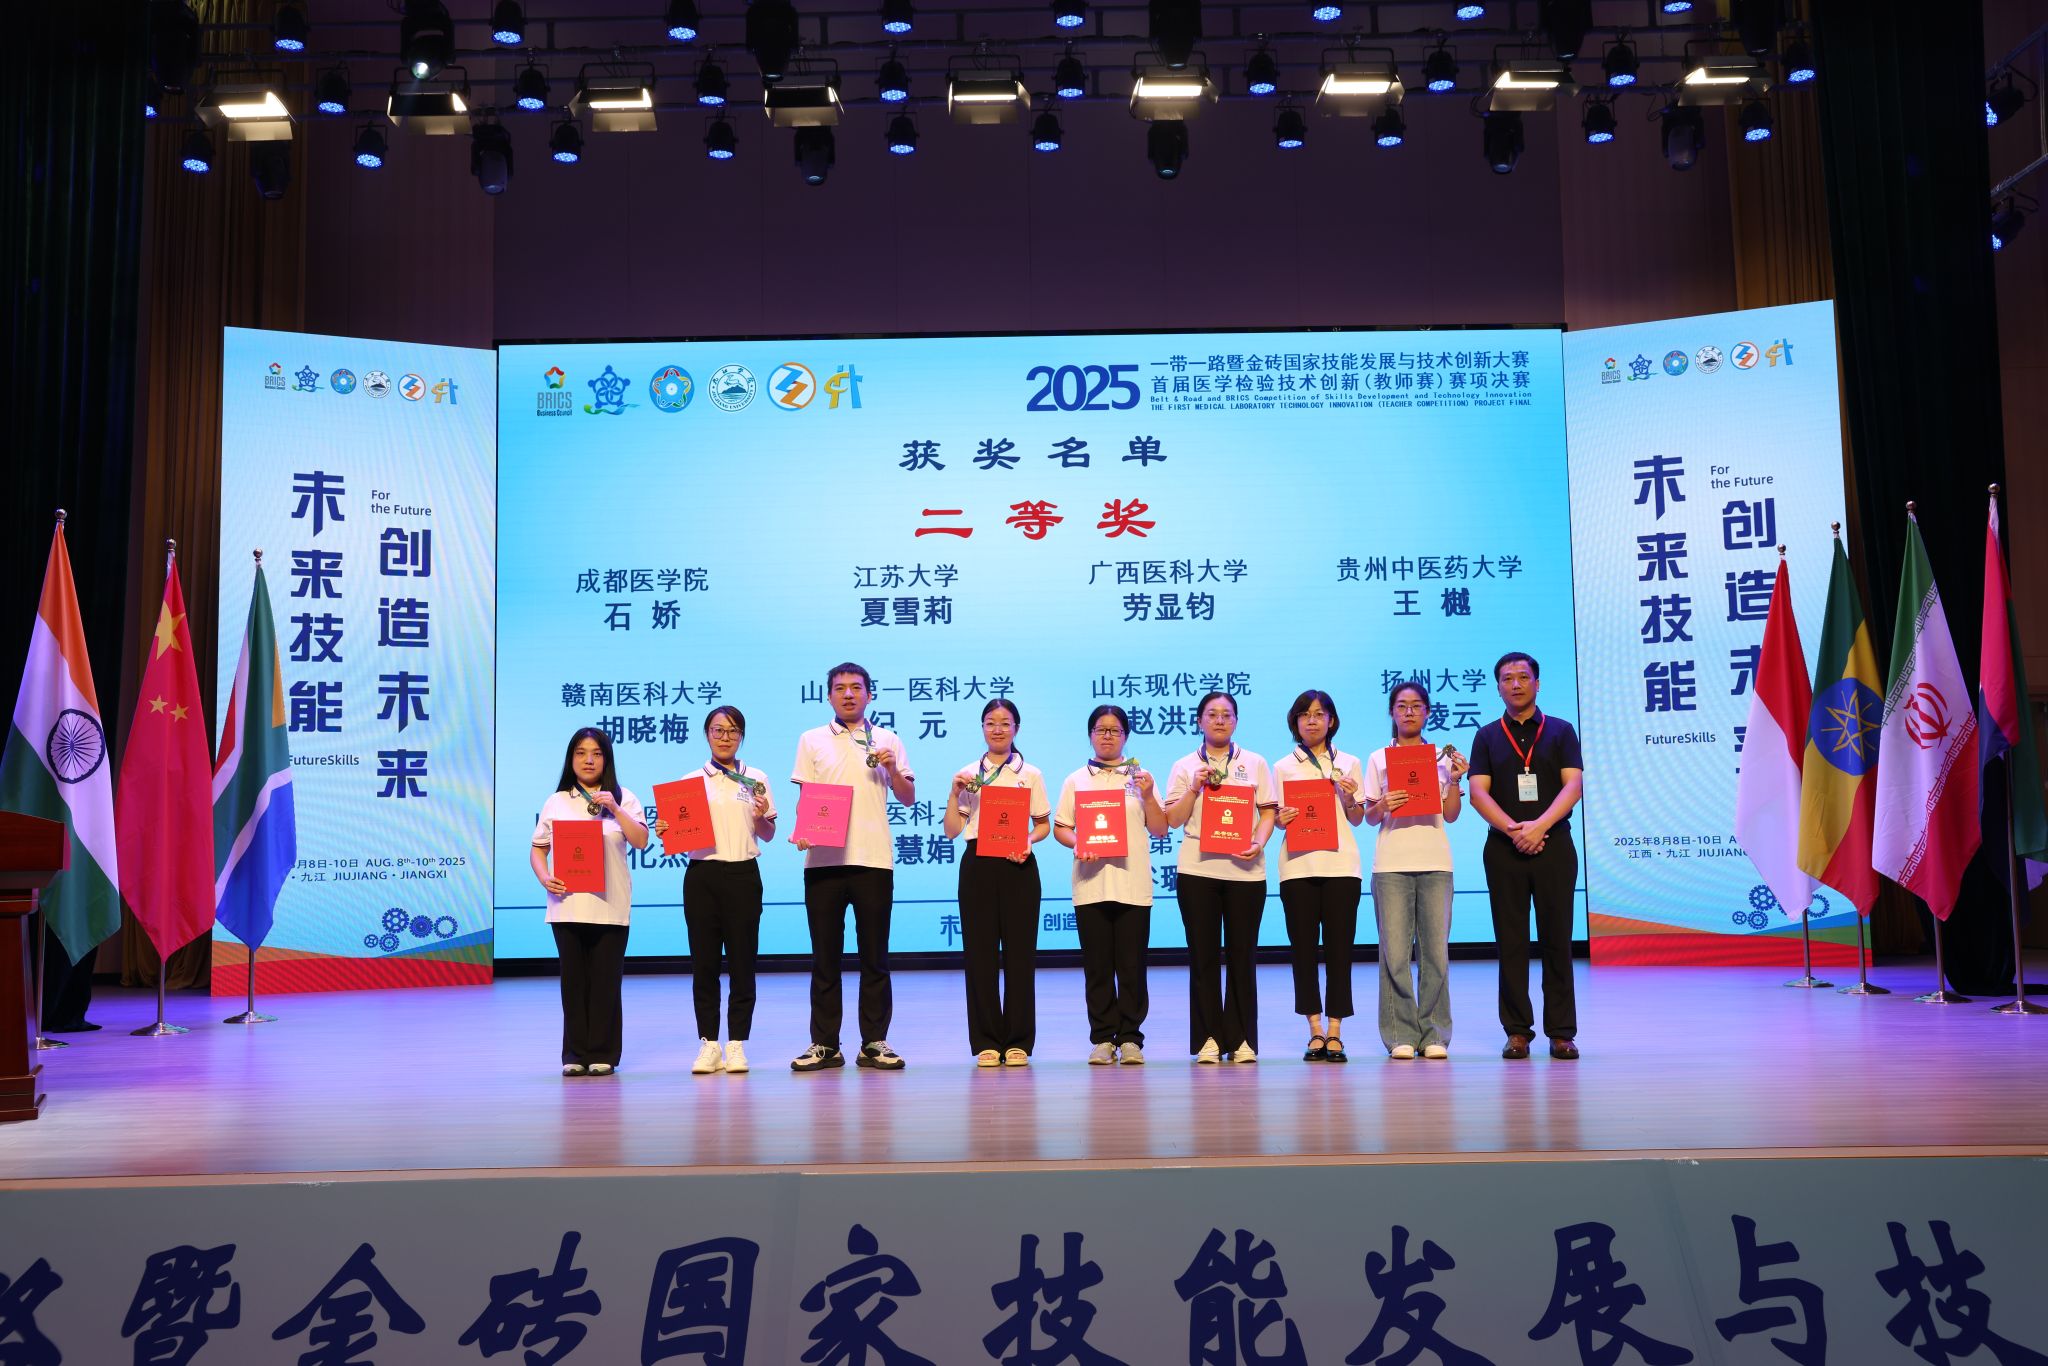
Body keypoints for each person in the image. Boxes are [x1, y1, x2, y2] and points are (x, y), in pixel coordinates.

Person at [789, 662, 916, 1072]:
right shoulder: (811, 739)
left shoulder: (887, 739)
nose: (848, 694)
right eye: (840, 688)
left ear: (869, 694)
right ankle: (825, 1044)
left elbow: (908, 797)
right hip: (823, 862)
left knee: (874, 957)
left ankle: (874, 1042)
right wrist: (803, 831)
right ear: (828, 695)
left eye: (856, 687)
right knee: (824, 958)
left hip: (873, 861)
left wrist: (892, 768)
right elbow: (807, 797)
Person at [1466, 651, 1585, 1060]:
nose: (1515, 684)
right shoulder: (1486, 736)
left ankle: (1561, 1032)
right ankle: (1517, 1031)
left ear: (1537, 682)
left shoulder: (1561, 731)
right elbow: (1478, 792)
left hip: (1555, 847)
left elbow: (1573, 786)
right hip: (1504, 850)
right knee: (1511, 942)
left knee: (1558, 941)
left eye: (1522, 676)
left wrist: (1539, 827)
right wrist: (1514, 829)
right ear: (1497, 687)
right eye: (1506, 678)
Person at [530, 727, 657, 1077]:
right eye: (581, 753)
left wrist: (614, 807)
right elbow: (538, 849)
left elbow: (641, 840)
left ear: (607, 759)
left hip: (610, 906)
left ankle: (603, 1052)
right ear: (571, 759)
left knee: (605, 983)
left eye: (596, 753)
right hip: (567, 905)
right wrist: (544, 877)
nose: (588, 760)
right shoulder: (557, 801)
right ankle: (574, 1053)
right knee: (573, 983)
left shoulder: (624, 798)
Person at [1163, 691, 1277, 1063]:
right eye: (1211, 714)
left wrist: (1259, 842)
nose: (1219, 720)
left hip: (1245, 872)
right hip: (1198, 870)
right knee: (1203, 957)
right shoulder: (1184, 766)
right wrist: (1194, 787)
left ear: (1236, 721)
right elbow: (1172, 820)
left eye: (1227, 714)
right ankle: (1208, 1039)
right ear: (1199, 721)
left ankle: (1241, 1038)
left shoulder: (1255, 762)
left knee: (1243, 956)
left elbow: (1268, 813)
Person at [1053, 705, 1167, 1064]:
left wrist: (1149, 795)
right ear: (1090, 735)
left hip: (1133, 884)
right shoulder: (1076, 779)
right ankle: (1103, 1038)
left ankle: (1131, 1038)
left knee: (1132, 966)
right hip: (1091, 885)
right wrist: (1078, 844)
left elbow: (1160, 828)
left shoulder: (1141, 778)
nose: (1107, 736)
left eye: (1115, 730)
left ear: (1125, 736)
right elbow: (1061, 827)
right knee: (1098, 967)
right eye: (1100, 729)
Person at [1360, 682, 1468, 1061]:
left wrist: (1455, 780)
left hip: (1436, 862)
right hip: (1391, 864)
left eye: (1417, 705)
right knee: (1394, 955)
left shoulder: (1442, 758)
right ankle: (1400, 1034)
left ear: (1427, 712)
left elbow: (1451, 815)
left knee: (1435, 953)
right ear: (1391, 712)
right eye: (1402, 706)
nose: (1409, 712)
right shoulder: (1378, 758)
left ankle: (1435, 1033)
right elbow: (1368, 816)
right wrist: (1383, 805)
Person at [943, 699, 1052, 1066]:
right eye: (991, 722)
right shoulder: (968, 774)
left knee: (1021, 955)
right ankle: (987, 1041)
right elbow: (951, 830)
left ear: (1016, 729)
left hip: (1018, 865)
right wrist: (954, 793)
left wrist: (1028, 841)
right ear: (982, 728)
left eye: (1005, 723)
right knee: (980, 956)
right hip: (978, 865)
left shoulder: (1030, 773)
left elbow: (1042, 825)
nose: (998, 729)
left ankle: (1019, 1040)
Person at [679, 705, 777, 1076]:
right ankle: (709, 1044)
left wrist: (760, 816)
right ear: (707, 734)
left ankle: (736, 1043)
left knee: (742, 963)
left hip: (743, 875)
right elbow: (681, 835)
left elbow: (768, 833)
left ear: (742, 737)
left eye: (733, 731)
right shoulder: (690, 781)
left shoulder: (757, 778)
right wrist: (669, 830)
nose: (725, 737)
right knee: (704, 965)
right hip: (702, 876)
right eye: (718, 730)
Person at [1271, 690, 1367, 1062]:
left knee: (1341, 951)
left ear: (1331, 720)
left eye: (1319, 714)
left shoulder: (1350, 763)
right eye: (1304, 715)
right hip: (1297, 868)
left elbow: (1357, 818)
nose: (1312, 721)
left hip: (1342, 867)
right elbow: (1275, 820)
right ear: (1295, 722)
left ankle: (1336, 1029)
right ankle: (1314, 1029)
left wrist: (1348, 798)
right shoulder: (1283, 767)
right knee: (1303, 951)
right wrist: (1281, 819)